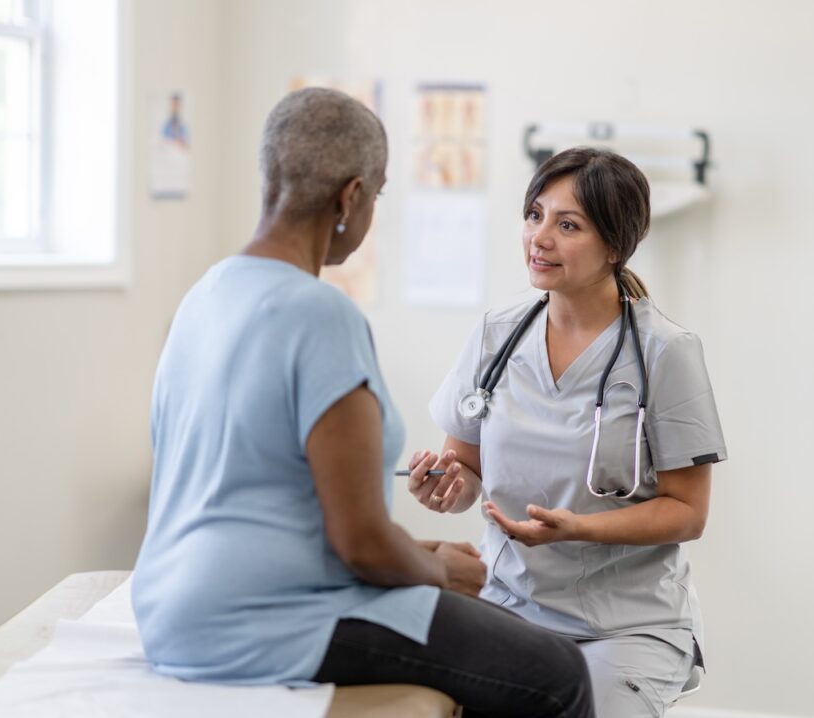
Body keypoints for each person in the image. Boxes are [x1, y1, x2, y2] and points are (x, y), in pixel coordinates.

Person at [131, 88, 595, 718]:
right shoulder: (319, 313)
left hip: (169, 610)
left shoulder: (205, 295)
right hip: (266, 621)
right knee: (557, 673)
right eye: (376, 195)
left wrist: (421, 553)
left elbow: (270, 501)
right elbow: (361, 545)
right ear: (350, 197)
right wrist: (439, 574)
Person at [407, 147, 726, 717]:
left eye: (568, 224)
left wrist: (576, 528)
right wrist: (448, 485)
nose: (540, 237)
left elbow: (687, 511)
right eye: (535, 215)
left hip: (624, 626)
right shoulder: (494, 337)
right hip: (507, 608)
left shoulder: (666, 352)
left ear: (614, 246)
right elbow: (466, 472)